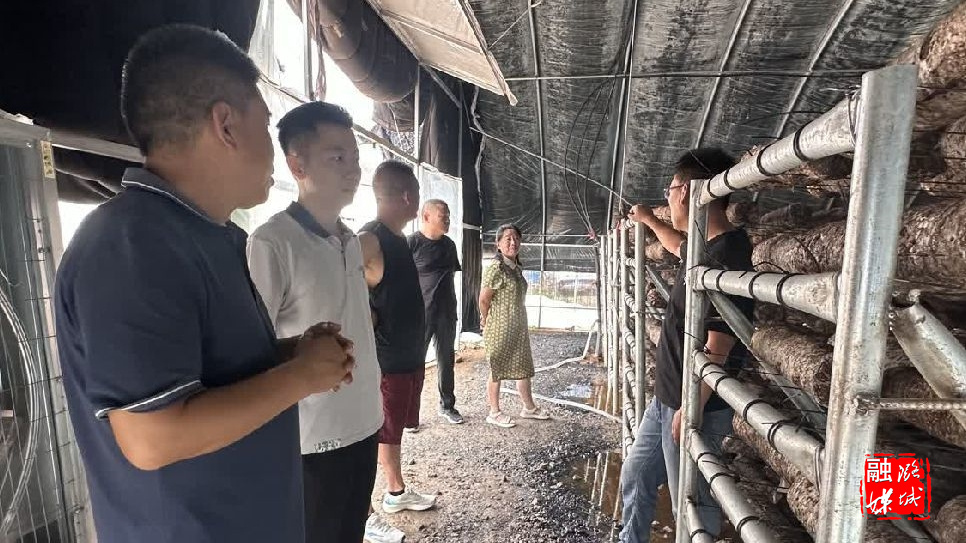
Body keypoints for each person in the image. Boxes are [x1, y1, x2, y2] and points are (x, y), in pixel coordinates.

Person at [54, 25, 354, 543]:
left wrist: (290, 355)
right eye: (266, 124)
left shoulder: (212, 235)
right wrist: (301, 376)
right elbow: (153, 437)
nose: (273, 148)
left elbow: (208, 374)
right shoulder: (132, 243)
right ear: (227, 126)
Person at [246, 101, 403, 543]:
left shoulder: (350, 240)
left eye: (354, 157)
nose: (353, 169)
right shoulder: (273, 242)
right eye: (337, 157)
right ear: (297, 165)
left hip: (363, 421)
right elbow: (254, 347)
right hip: (312, 439)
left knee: (351, 531)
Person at [618, 148, 754, 542]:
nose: (668, 195)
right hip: (667, 399)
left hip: (694, 407)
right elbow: (676, 244)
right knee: (636, 475)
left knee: (691, 506)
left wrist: (689, 406)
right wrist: (647, 219)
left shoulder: (728, 255)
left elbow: (719, 347)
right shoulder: (703, 246)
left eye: (671, 188)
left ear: (687, 193)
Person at [360, 161, 438, 514]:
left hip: (407, 356)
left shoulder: (399, 239)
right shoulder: (369, 240)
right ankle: (376, 504)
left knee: (394, 430)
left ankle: (396, 490)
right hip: (386, 361)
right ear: (408, 196)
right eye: (417, 194)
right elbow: (340, 290)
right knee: (381, 431)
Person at [478, 224, 551, 428]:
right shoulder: (496, 268)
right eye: (508, 239)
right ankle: (494, 412)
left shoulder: (516, 267)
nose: (513, 242)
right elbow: (483, 300)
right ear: (498, 244)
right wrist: (485, 320)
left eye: (516, 238)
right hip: (499, 327)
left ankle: (529, 407)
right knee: (497, 368)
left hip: (518, 327)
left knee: (523, 366)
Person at [409, 199, 464, 425]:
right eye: (443, 216)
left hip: (446, 313)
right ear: (426, 217)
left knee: (446, 360)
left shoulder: (449, 245)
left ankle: (447, 405)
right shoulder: (411, 243)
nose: (448, 220)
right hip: (419, 315)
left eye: (449, 216)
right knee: (415, 363)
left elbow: (449, 277)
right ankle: (411, 414)